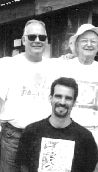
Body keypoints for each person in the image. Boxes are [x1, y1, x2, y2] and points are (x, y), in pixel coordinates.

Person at [50, 24, 98, 159]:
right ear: (76, 44)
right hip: (67, 130)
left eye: (93, 41)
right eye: (84, 40)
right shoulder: (64, 66)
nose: (89, 44)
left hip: (94, 131)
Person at [0, 19, 51, 172]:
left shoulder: (55, 66)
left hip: (43, 135)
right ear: (23, 40)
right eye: (32, 37)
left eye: (42, 37)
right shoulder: (8, 65)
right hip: (14, 136)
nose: (37, 40)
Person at [16, 77, 98, 172]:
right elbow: (23, 167)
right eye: (58, 96)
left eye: (68, 98)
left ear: (74, 102)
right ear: (50, 98)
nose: (62, 102)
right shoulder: (31, 131)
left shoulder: (86, 138)